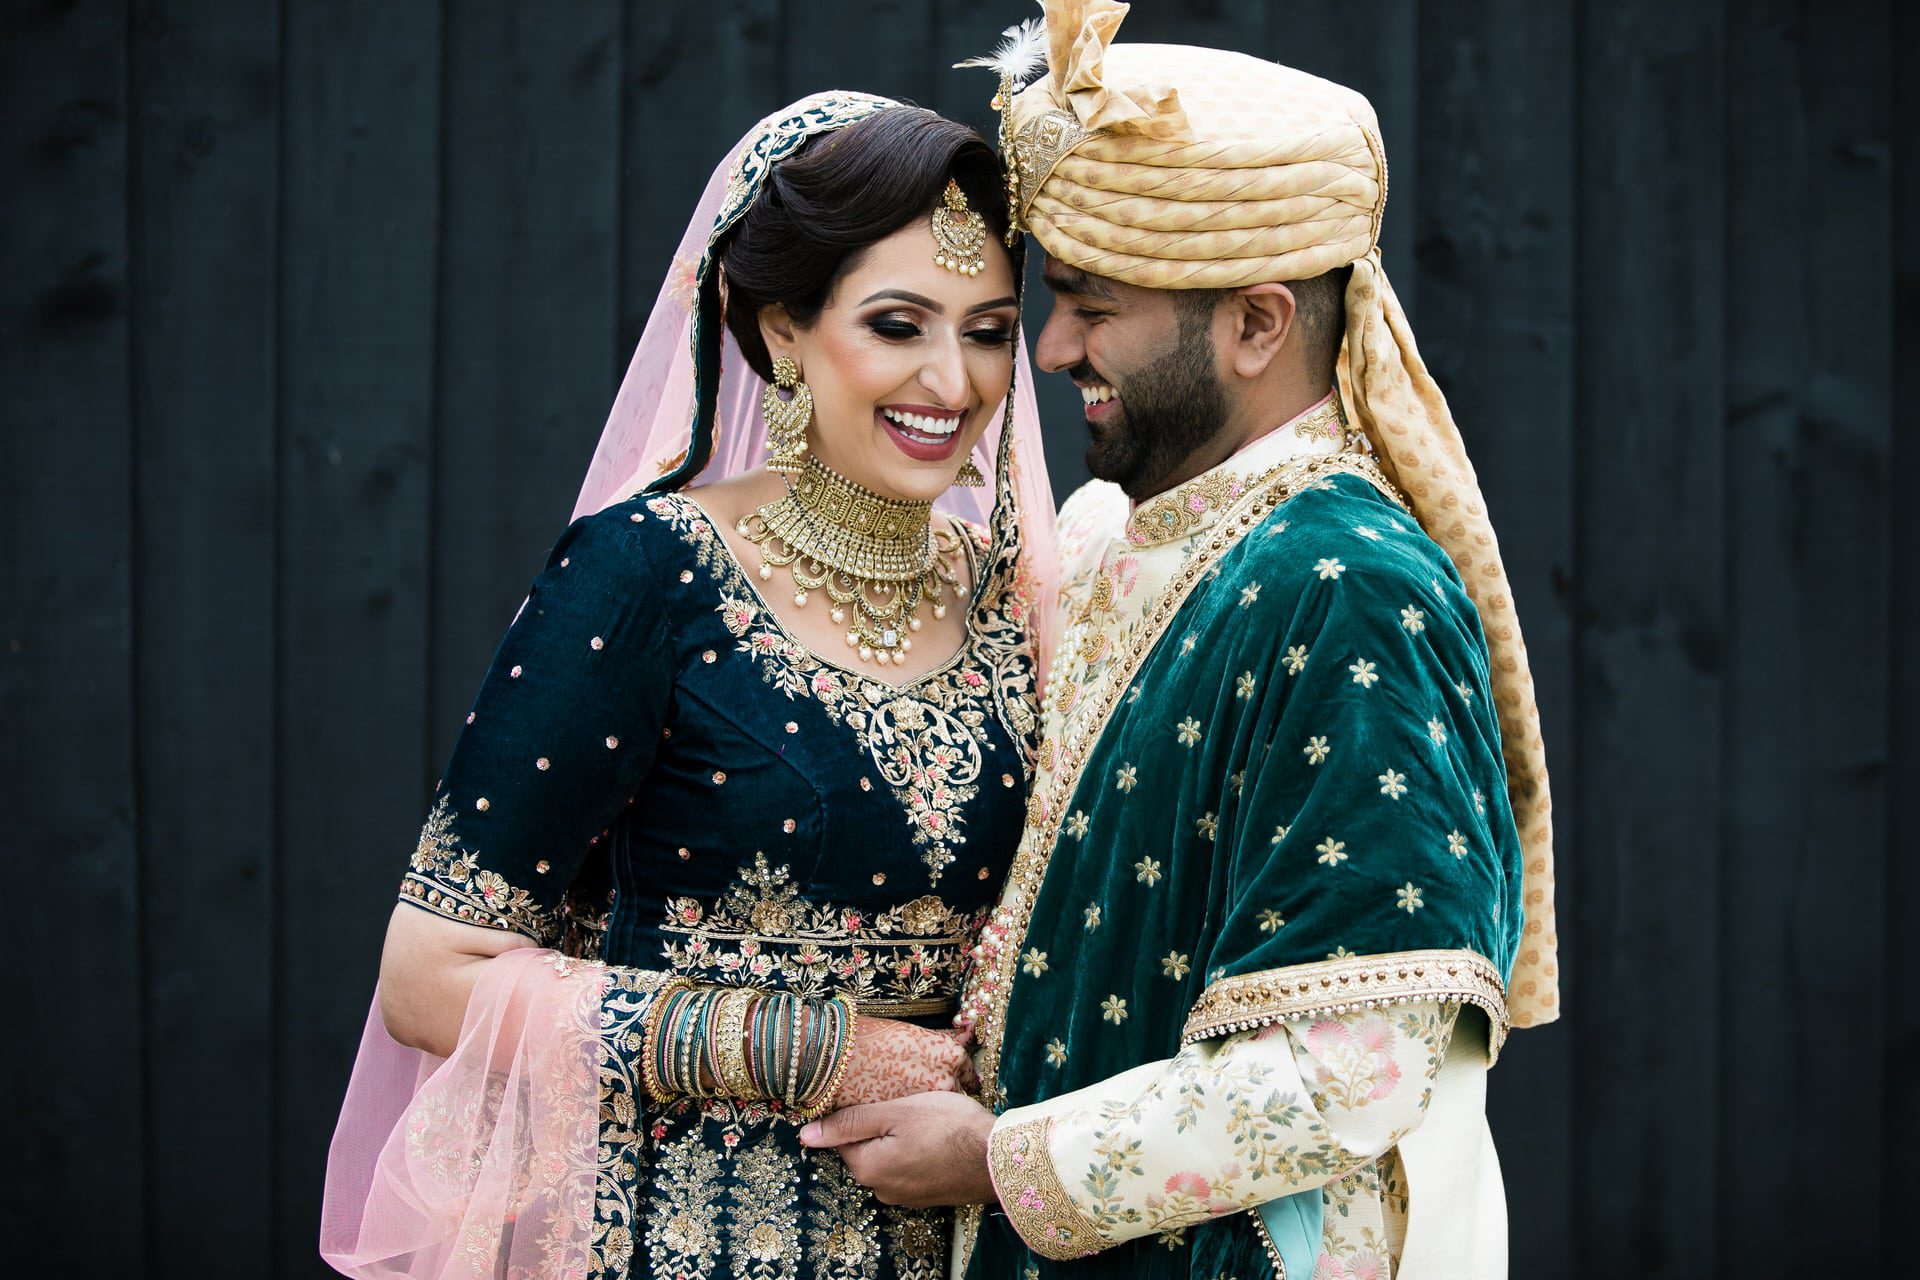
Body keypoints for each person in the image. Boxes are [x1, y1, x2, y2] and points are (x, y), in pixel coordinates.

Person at [796, 6, 1560, 1278]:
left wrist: (998, 1157)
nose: (1050, 349)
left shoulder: (1351, 586)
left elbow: (1353, 1072)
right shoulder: (1127, 537)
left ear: (1258, 323)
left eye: (1093, 306)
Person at [320, 93, 1060, 1279]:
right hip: (675, 1237)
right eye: (897, 323)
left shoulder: (1015, 599)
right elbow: (429, 976)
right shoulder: (648, 573)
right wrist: (824, 1050)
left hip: (968, 1235)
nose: (953, 378)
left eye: (986, 330)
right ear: (778, 329)